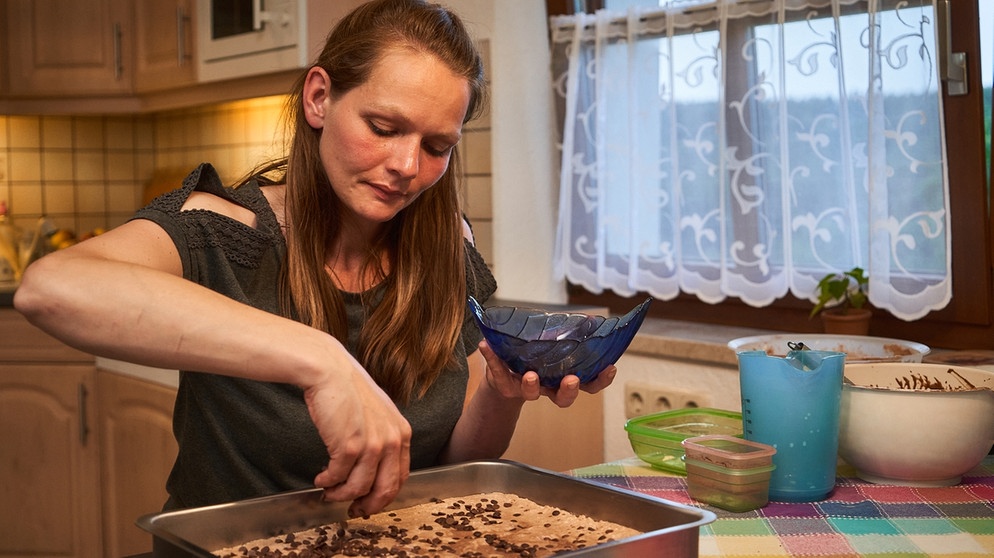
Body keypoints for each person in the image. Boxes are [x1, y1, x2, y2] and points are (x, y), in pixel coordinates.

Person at [13, 0, 617, 518]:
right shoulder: (224, 229)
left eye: (436, 147)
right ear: (320, 97)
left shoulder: (448, 249)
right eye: (383, 127)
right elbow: (51, 287)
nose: (408, 167)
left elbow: (450, 467)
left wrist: (501, 394)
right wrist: (322, 359)